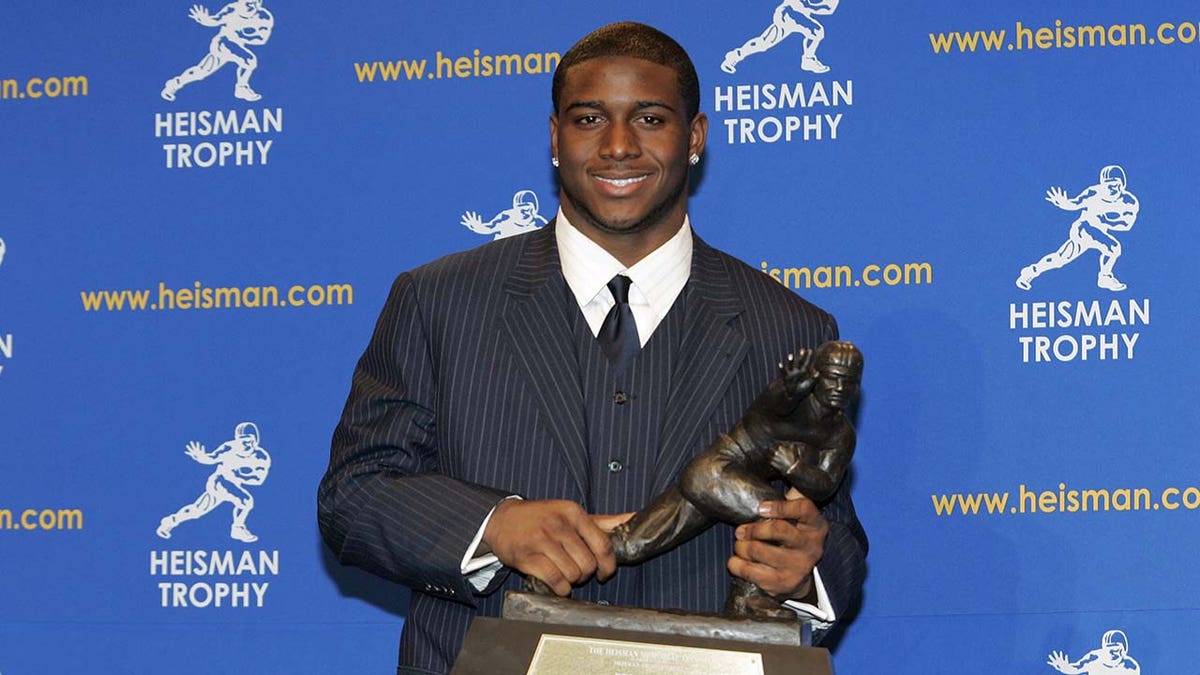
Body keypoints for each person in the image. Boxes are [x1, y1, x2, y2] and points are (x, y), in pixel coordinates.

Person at [318, 22, 867, 674]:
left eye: (650, 118)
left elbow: (834, 542)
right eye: (588, 119)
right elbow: (353, 496)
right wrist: (493, 525)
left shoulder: (791, 328)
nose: (617, 146)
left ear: (695, 138)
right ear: (555, 138)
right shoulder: (438, 301)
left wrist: (802, 570)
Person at [1016, 165, 1139, 292]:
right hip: (1084, 229)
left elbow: (1126, 225)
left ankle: (1030, 272)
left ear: (1122, 184)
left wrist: (1105, 220)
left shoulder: (1129, 202)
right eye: (1109, 184)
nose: (1113, 188)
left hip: (1100, 232)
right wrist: (1064, 203)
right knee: (1113, 248)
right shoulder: (1093, 193)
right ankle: (1104, 277)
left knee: (1059, 259)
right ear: (1103, 184)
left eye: (1117, 184)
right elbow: (1076, 203)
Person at [157, 422, 271, 543]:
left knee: (196, 510)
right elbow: (211, 458)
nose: (247, 444)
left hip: (234, 485)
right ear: (237, 440)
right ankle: (237, 529)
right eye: (243, 440)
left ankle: (170, 521)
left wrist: (238, 474)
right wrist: (200, 457)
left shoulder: (261, 457)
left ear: (256, 440)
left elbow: (258, 480)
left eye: (250, 440)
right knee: (245, 501)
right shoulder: (229, 448)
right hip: (219, 482)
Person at [161, 0, 275, 102]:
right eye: (248, 3)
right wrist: (205, 19)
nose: (252, 6)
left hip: (237, 45)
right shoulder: (232, 9)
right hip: (223, 43)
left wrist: (240, 36)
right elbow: (214, 20)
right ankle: (241, 88)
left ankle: (175, 84)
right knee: (249, 60)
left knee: (201, 71)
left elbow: (261, 40)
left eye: (255, 3)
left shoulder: (264, 17)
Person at [721, 0, 841, 75]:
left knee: (763, 42)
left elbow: (827, 8)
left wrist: (809, 5)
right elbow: (799, 3)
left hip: (800, 15)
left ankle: (735, 56)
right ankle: (808, 59)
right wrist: (809, 5)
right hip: (788, 12)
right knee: (816, 31)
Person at [460, 189, 549, 240]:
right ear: (516, 208)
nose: (525, 212)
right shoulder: (506, 217)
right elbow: (487, 228)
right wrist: (477, 226)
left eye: (528, 208)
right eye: (521, 208)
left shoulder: (539, 222)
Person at [1047, 629, 1140, 674]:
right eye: (1110, 648)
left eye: (1117, 649)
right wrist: (1064, 667)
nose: (1114, 653)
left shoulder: (1131, 666)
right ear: (1104, 648)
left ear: (1124, 650)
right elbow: (1075, 668)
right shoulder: (1094, 658)